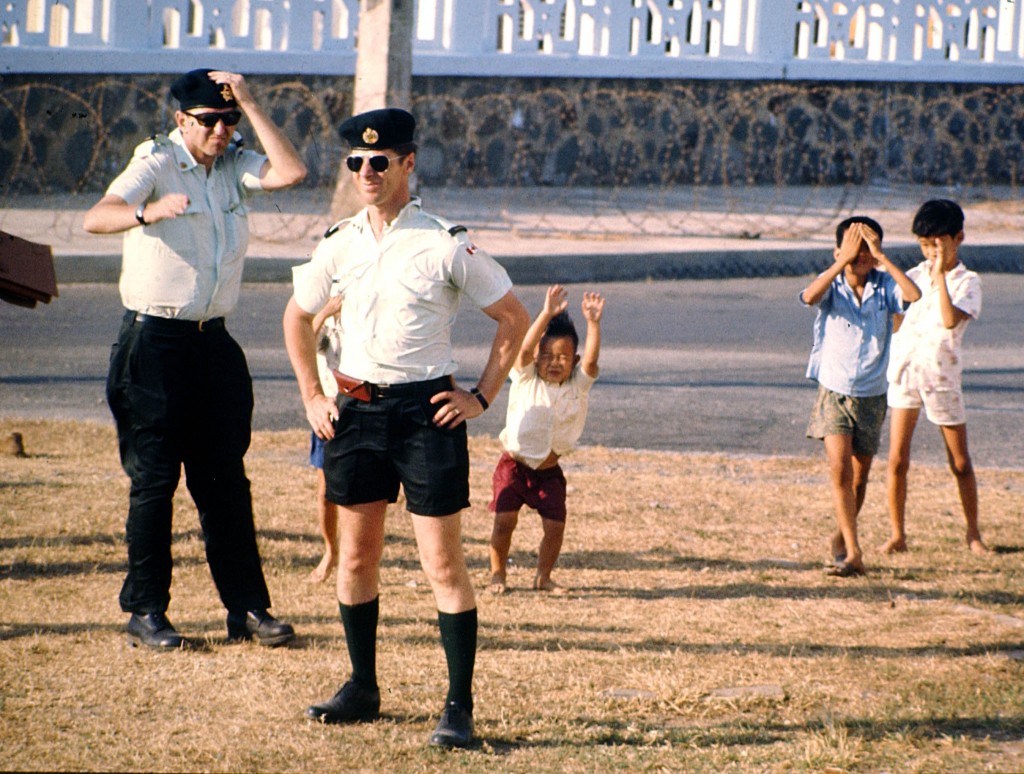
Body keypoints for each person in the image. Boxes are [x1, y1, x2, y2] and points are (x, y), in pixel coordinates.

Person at [282, 108, 530, 748]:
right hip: (355, 411)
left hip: (426, 414)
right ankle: (362, 686)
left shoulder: (442, 241)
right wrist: (313, 393)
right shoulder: (339, 241)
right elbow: (296, 316)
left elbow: (513, 317)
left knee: (442, 564)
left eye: (380, 161)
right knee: (357, 557)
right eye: (356, 162)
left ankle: (458, 707)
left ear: (407, 164)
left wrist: (480, 396)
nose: (366, 171)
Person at [83, 69, 306, 650]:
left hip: (213, 343)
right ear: (181, 120)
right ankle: (146, 611)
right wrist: (145, 214)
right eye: (209, 121)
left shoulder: (233, 163)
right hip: (154, 341)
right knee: (155, 482)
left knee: (226, 482)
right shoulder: (155, 161)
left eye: (228, 120)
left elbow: (291, 172)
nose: (221, 130)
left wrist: (251, 102)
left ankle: (248, 609)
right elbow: (97, 215)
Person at [800, 217, 920, 577]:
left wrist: (881, 257)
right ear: (839, 251)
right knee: (839, 468)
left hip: (871, 394)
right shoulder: (833, 285)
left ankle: (843, 534)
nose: (861, 256)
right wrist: (842, 260)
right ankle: (854, 552)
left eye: (868, 248)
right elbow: (808, 297)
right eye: (855, 248)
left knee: (859, 477)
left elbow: (912, 295)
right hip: (834, 389)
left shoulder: (884, 286)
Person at [883, 199, 989, 557]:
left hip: (942, 377)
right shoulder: (912, 276)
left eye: (938, 244)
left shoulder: (967, 282)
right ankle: (898, 535)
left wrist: (941, 274)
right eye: (925, 245)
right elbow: (897, 318)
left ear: (958, 238)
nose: (931, 252)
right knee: (897, 460)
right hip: (906, 372)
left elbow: (948, 319)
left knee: (959, 462)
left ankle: (973, 533)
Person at [487, 284, 604, 594]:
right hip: (514, 467)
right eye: (548, 356)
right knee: (504, 522)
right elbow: (523, 351)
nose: (555, 362)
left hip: (549, 472)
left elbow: (592, 363)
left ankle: (544, 576)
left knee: (555, 527)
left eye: (563, 357)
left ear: (574, 360)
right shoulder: (525, 375)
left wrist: (593, 324)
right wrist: (546, 313)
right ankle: (497, 574)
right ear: (537, 357)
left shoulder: (577, 386)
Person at [308, 293, 343, 584]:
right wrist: (328, 309)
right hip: (329, 409)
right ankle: (331, 551)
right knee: (326, 492)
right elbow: (304, 341)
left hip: (362, 403)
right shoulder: (324, 313)